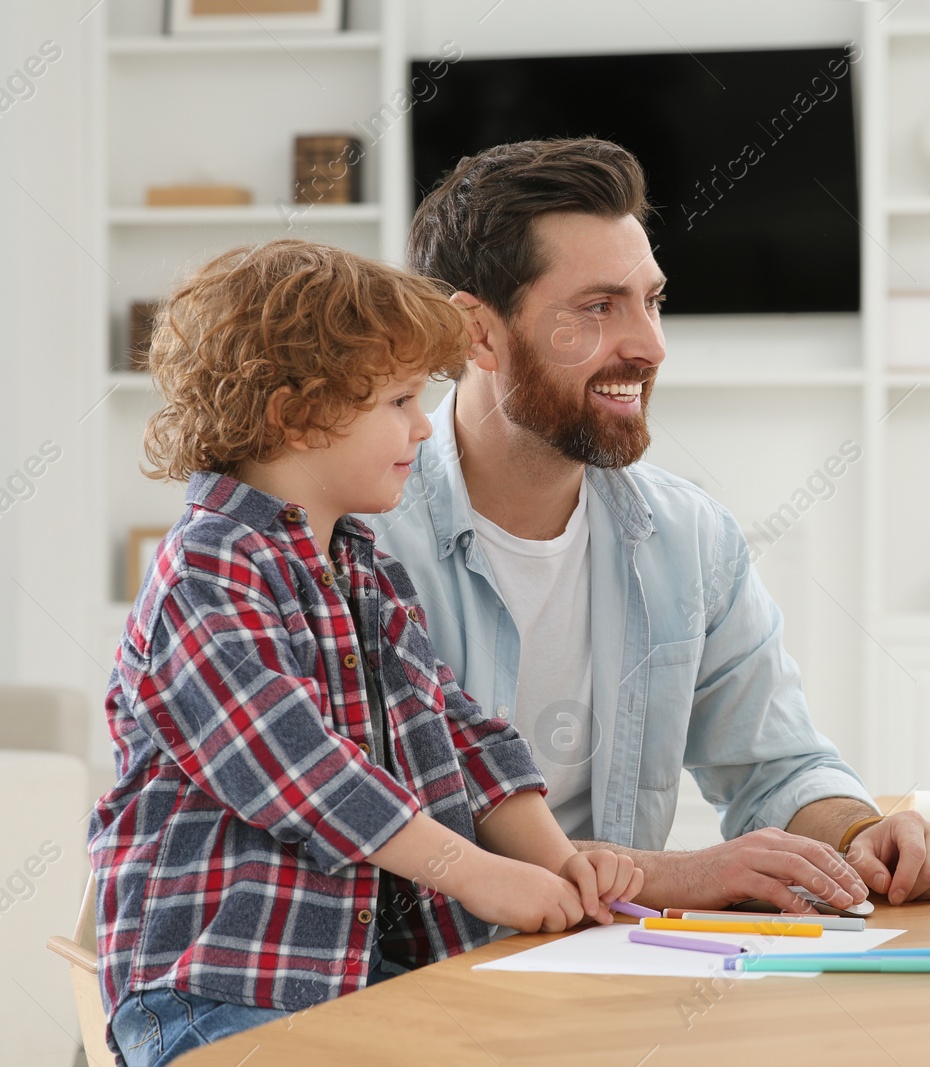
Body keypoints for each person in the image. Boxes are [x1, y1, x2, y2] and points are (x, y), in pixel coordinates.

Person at [369, 137, 930, 913]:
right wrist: (676, 876)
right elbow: (392, 843)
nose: (650, 346)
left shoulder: (689, 539)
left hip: (614, 969)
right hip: (414, 998)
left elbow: (774, 770)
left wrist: (862, 836)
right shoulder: (360, 542)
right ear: (478, 334)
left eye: (652, 300)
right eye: (599, 307)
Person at [89, 240, 642, 1067]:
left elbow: (458, 734)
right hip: (218, 993)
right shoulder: (204, 572)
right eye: (397, 398)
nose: (424, 424)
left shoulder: (364, 568)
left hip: (370, 983)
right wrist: (477, 872)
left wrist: (561, 863)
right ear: (293, 413)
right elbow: (301, 770)